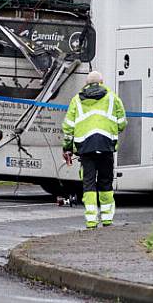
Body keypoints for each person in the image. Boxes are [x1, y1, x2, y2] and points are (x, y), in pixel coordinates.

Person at [62, 71, 127, 228]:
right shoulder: (112, 97)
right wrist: (111, 130)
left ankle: (91, 220)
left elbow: (68, 127)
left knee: (88, 183)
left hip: (85, 147)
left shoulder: (77, 100)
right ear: (102, 82)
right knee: (106, 182)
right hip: (106, 145)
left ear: (86, 84)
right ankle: (107, 219)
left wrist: (67, 148)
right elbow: (122, 122)